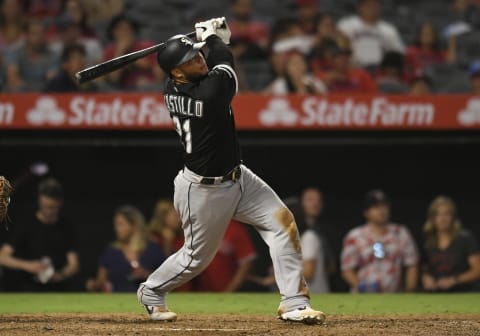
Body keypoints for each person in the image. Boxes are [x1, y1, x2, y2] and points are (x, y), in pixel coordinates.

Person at [137, 17, 325, 324]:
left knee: (282, 224)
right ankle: (152, 291)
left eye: (197, 53)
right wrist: (215, 40)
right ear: (176, 72)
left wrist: (206, 41)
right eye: (189, 59)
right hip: (202, 189)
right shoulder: (207, 95)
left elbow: (211, 62)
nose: (198, 59)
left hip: (238, 176)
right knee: (196, 259)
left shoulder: (179, 83)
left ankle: (293, 303)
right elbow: (223, 63)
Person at [0, 177, 79, 291]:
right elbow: (2, 257)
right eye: (45, 206)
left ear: (60, 203)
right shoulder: (25, 224)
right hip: (28, 289)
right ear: (39, 201)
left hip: (58, 290)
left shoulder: (66, 227)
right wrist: (28, 265)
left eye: (52, 208)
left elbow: (73, 264)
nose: (48, 211)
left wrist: (61, 275)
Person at [341, 189, 419, 293]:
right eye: (376, 207)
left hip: (394, 297)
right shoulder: (354, 236)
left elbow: (412, 264)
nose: (382, 210)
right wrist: (364, 288)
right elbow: (347, 269)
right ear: (366, 212)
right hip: (362, 298)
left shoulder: (400, 232)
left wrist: (409, 291)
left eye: (384, 206)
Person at [86, 205, 165, 292]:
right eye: (115, 225)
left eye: (120, 224)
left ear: (134, 225)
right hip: (116, 302)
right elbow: (101, 281)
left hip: (147, 301)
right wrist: (94, 284)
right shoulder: (111, 251)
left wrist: (146, 275)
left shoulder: (153, 250)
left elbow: (166, 278)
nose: (116, 229)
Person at [422, 196, 480, 292]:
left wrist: (455, 280)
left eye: (446, 214)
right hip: (436, 296)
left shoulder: (465, 238)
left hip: (463, 294)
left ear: (453, 217)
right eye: (438, 214)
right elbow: (425, 270)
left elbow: (478, 270)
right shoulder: (428, 242)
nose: (442, 218)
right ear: (432, 218)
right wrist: (426, 278)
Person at [103, 13, 164, 91]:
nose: (124, 33)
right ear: (113, 32)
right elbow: (113, 78)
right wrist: (120, 52)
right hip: (121, 92)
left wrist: (147, 65)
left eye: (127, 29)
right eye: (120, 29)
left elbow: (160, 77)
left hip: (149, 89)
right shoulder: (110, 50)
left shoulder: (147, 46)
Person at [337, 0, 404, 70]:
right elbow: (339, 47)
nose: (372, 9)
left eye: (375, 6)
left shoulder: (389, 30)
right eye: (369, 6)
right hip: (353, 68)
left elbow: (398, 53)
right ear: (360, 8)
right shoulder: (345, 25)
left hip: (380, 71)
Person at [195, 220, 256, 292]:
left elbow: (246, 263)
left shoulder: (234, 228)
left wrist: (228, 292)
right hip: (199, 292)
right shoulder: (194, 227)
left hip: (231, 292)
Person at [296, 187, 335, 293]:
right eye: (310, 199)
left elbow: (330, 267)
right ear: (301, 203)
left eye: (318, 200)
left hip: (313, 295)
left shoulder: (318, 234)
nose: (315, 203)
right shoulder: (298, 231)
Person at [4, 19, 58, 92]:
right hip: (18, 96)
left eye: (41, 33)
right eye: (34, 33)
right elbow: (13, 79)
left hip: (43, 97)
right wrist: (31, 93)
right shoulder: (15, 53)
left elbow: (51, 82)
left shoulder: (52, 56)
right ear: (27, 36)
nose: (38, 37)